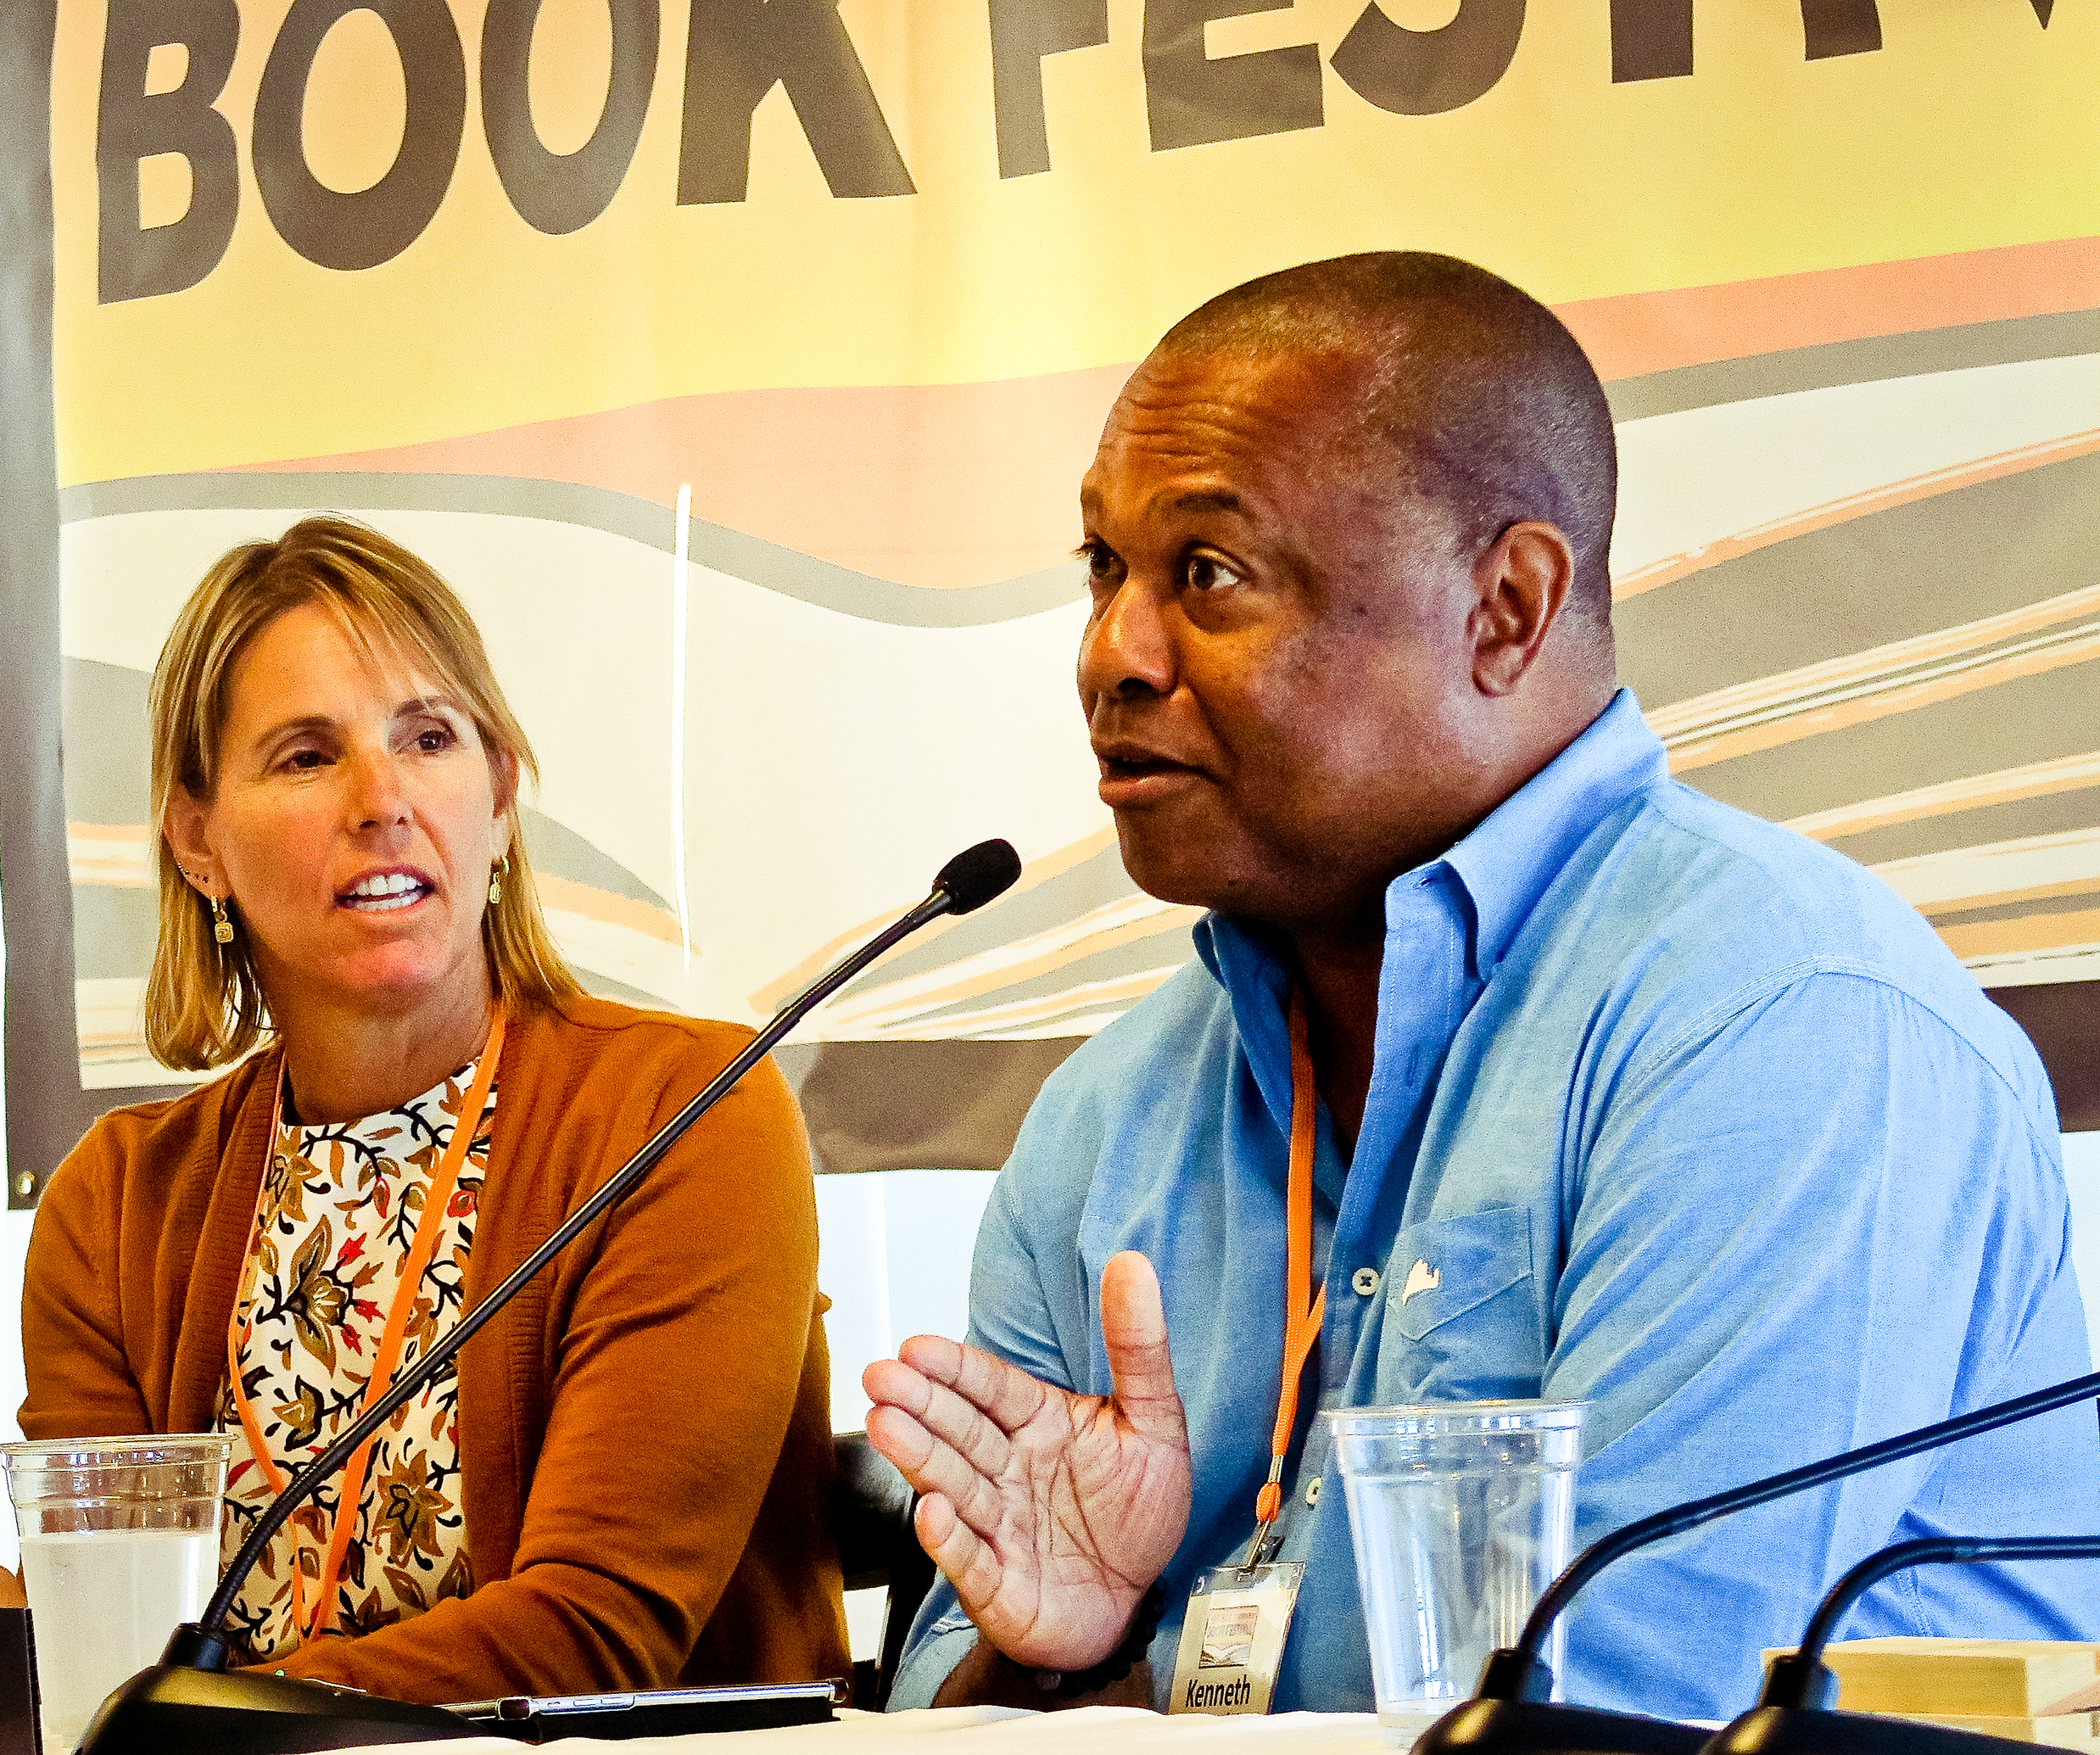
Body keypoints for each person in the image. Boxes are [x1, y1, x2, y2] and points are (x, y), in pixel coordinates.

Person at [861, 253, 2100, 1721]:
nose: (1111, 655)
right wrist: (1058, 1647)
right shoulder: (1106, 1122)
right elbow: (934, 1721)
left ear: (1508, 608)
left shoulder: (1778, 1024)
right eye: (1103, 572)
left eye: (1207, 573)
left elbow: (1631, 1722)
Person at [0, 518, 846, 1702]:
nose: (382, 798)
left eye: (427, 737)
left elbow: (591, 1636)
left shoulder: (686, 1118)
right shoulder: (115, 1203)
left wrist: (206, 1719)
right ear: (198, 841)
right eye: (304, 755)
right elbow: (97, 1636)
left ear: (496, 798)